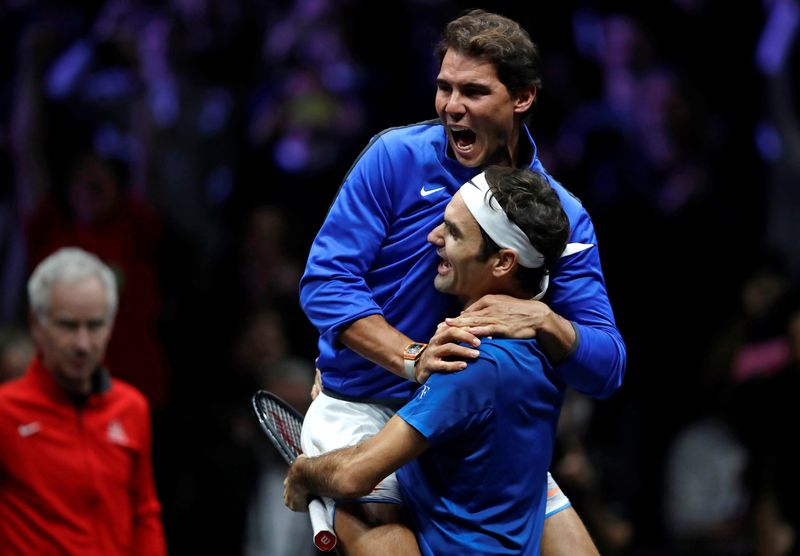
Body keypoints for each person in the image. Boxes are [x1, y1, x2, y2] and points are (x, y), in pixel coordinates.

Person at [299, 9, 624, 554]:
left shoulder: (559, 214)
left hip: (479, 420)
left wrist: (547, 320)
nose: (452, 107)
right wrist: (410, 357)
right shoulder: (394, 158)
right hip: (369, 406)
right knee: (391, 543)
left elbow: (607, 365)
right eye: (444, 88)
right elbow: (326, 283)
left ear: (521, 98)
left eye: (473, 91)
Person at [288, 166, 581, 554]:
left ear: (502, 262)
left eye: (454, 233)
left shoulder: (467, 364)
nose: (433, 237)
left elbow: (352, 477)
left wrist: (303, 473)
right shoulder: (545, 351)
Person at [0, 247, 167, 555]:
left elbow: (144, 513)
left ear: (112, 324)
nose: (83, 343)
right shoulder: (5, 412)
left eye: (94, 325)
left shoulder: (132, 408)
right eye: (67, 325)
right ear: (37, 324)